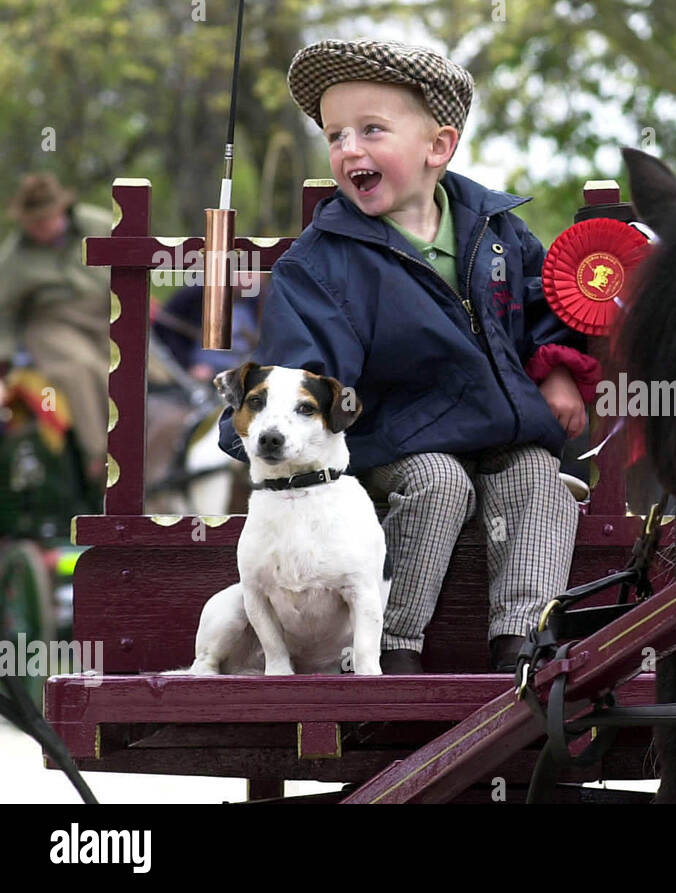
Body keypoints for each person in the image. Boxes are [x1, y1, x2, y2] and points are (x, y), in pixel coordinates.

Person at [218, 39, 601, 673]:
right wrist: (270, 435)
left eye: (371, 130)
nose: (349, 150)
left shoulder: (496, 231)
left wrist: (558, 370)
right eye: (336, 135)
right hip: (396, 445)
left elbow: (543, 305)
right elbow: (305, 376)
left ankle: (522, 637)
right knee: (438, 482)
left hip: (504, 433)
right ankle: (390, 645)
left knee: (538, 472)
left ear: (438, 147)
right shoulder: (323, 264)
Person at [0, 173, 113, 494]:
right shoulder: (15, 257)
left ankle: (152, 453)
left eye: (44, 219)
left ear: (61, 210)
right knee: (82, 368)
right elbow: (4, 312)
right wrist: (3, 363)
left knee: (145, 373)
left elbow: (136, 260)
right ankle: (101, 455)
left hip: (106, 317)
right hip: (51, 324)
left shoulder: (99, 224)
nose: (38, 228)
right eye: (31, 222)